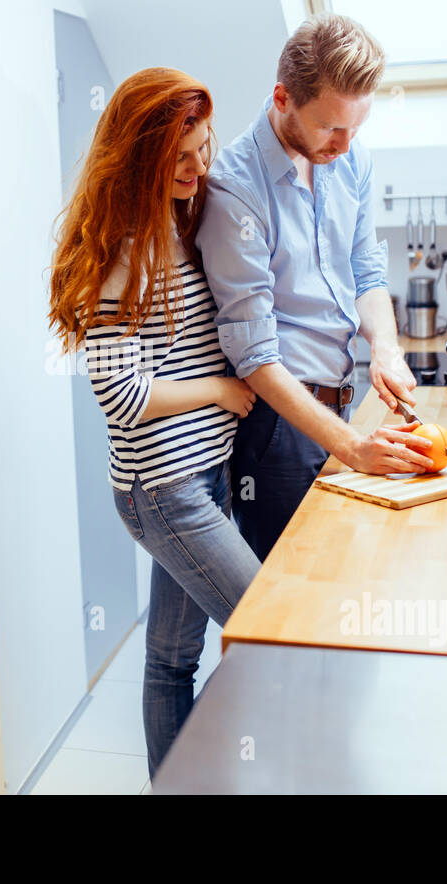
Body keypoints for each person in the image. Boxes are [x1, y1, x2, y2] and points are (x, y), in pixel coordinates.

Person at [48, 68, 261, 777]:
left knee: (173, 658)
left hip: (200, 475)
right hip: (162, 488)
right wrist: (220, 392)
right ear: (141, 157)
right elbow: (124, 396)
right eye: (182, 157)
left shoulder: (173, 222)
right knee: (270, 629)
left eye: (206, 149)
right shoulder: (125, 254)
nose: (200, 169)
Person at [198, 13, 435, 563]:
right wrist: (351, 447)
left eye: (357, 128)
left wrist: (385, 347)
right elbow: (254, 357)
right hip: (277, 429)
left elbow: (366, 268)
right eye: (331, 127)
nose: (346, 145)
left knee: (344, 575)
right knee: (296, 596)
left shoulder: (349, 159)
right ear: (283, 98)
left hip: (341, 401)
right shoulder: (235, 190)